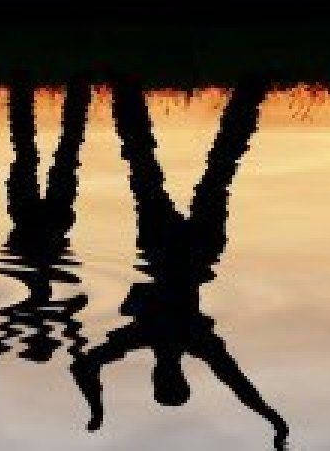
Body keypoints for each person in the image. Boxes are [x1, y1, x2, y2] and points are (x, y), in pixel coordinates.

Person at [71, 84, 288, 449]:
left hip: (180, 252)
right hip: (183, 252)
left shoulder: (166, 339)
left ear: (160, 380)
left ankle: (245, 93)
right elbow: (241, 387)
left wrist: (97, 408)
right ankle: (131, 89)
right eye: (170, 382)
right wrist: (275, 424)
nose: (166, 377)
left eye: (165, 383)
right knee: (163, 171)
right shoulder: (162, 338)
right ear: (169, 378)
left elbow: (83, 368)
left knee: (190, 172)